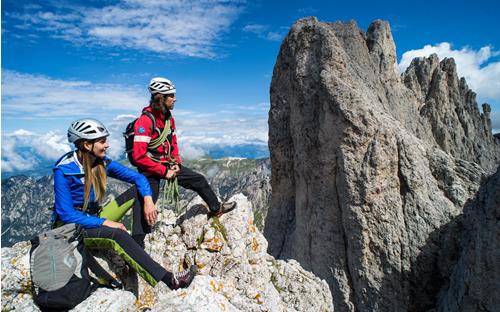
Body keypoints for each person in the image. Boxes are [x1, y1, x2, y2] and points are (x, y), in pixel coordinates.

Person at [52, 118, 196, 290]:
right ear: (86, 145)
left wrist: (148, 200)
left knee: (139, 192)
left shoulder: (103, 163)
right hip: (72, 227)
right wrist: (105, 223)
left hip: (93, 216)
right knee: (118, 235)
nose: (107, 145)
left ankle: (137, 244)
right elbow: (66, 214)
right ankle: (171, 280)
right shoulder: (65, 170)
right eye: (102, 141)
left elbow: (139, 178)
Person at [130, 77, 236, 242]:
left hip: (168, 165)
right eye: (171, 95)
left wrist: (176, 164)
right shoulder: (145, 121)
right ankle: (136, 247)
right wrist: (164, 172)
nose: (175, 98)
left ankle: (216, 208)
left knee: (199, 180)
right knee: (146, 207)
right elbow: (138, 156)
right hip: (150, 169)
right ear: (161, 98)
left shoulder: (168, 118)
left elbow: (173, 143)